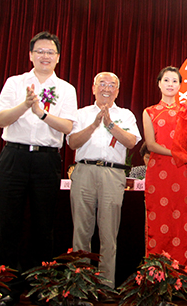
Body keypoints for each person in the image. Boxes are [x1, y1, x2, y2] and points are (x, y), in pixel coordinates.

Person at [0, 31, 78, 306]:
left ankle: (44, 286)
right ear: (30, 55)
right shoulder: (14, 83)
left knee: (44, 226)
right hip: (14, 156)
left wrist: (41, 113)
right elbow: (0, 119)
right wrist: (25, 105)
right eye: (39, 51)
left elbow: (67, 127)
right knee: (9, 224)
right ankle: (8, 288)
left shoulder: (66, 89)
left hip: (46, 160)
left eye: (50, 52)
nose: (45, 56)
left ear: (58, 57)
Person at [67, 72, 141, 288]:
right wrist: (93, 125)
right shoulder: (80, 114)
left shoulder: (126, 115)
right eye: (102, 84)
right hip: (84, 171)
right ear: (93, 88)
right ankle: (80, 284)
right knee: (81, 231)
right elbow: (72, 143)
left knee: (109, 233)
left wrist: (109, 124)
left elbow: (130, 142)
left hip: (112, 174)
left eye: (112, 85)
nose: (106, 88)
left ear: (117, 91)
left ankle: (106, 285)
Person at [143, 66, 187, 280]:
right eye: (166, 80)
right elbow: (151, 144)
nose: (170, 84)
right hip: (158, 172)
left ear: (180, 85)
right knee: (158, 220)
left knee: (182, 219)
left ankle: (183, 274)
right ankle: (157, 273)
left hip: (180, 172)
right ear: (159, 83)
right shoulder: (149, 112)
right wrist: (177, 154)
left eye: (174, 81)